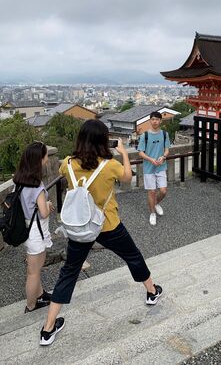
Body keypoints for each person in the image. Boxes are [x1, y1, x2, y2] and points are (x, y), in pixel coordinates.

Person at [40, 119, 162, 346]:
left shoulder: (67, 162)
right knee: (132, 256)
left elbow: (63, 172)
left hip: (79, 228)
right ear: (102, 141)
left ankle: (48, 329)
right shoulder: (109, 165)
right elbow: (127, 177)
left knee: (69, 272)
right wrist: (123, 153)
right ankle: (152, 291)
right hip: (107, 224)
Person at [13, 141, 54, 313]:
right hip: (36, 231)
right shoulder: (37, 186)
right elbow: (44, 213)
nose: (46, 159)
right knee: (33, 272)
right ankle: (31, 305)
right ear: (39, 160)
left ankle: (40, 294)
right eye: (45, 156)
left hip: (27, 229)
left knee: (34, 269)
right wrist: (49, 204)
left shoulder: (19, 180)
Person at [137, 111, 170, 226]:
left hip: (161, 166)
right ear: (150, 121)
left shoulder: (165, 134)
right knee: (151, 192)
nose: (155, 121)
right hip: (148, 168)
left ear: (160, 121)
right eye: (153, 119)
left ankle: (156, 204)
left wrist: (164, 156)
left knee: (163, 191)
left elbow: (167, 149)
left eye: (157, 119)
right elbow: (140, 152)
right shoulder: (144, 135)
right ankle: (152, 213)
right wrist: (151, 159)